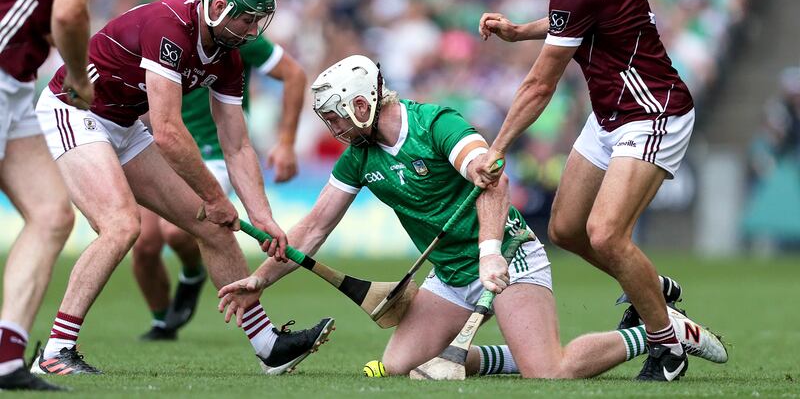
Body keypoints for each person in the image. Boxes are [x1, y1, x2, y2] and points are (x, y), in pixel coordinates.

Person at [216, 55, 726, 379]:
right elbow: (313, 229)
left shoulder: (437, 124)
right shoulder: (359, 156)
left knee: (550, 372)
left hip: (507, 258)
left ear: (361, 102)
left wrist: (488, 254)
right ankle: (501, 355)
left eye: (334, 116)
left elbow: (492, 179)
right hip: (451, 276)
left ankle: (664, 331)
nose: (331, 127)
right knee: (398, 365)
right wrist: (259, 280)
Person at [30, 0, 333, 376]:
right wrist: (214, 196)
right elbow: (169, 131)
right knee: (121, 225)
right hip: (73, 110)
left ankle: (268, 346)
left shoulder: (229, 56)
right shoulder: (170, 26)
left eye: (257, 21)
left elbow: (237, 143)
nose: (252, 30)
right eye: (246, 19)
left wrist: (263, 218)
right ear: (218, 7)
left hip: (121, 123)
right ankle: (55, 351)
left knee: (212, 228)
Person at [475, 0, 698, 381]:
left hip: (653, 110)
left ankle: (668, 346)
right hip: (610, 111)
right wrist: (519, 31)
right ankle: (654, 290)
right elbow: (571, 19)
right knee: (566, 229)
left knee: (605, 234)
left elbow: (539, 85)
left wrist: (498, 148)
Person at [0, 0, 136, 391]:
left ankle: (9, 359)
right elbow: (68, 10)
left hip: (13, 76)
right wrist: (80, 77)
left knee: (52, 215)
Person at [132, 0, 307, 341]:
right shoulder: (156, 24)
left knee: (180, 231)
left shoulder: (235, 32)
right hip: (155, 146)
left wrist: (286, 142)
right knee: (142, 244)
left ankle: (195, 272)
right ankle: (164, 322)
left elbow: (295, 75)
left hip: (208, 151)